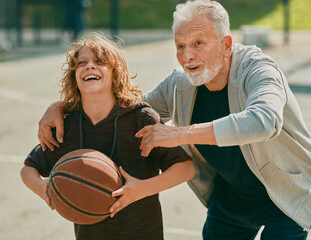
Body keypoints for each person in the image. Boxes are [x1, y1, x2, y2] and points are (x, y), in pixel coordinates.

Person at [37, 1, 311, 239]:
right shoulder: (180, 83)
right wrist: (64, 105)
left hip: (286, 192)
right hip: (232, 197)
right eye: (180, 46)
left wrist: (179, 134)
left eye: (198, 43)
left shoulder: (258, 70)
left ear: (226, 45)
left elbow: (264, 121)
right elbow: (125, 110)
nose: (188, 55)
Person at [21, 32, 195, 240]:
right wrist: (43, 188)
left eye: (100, 62)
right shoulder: (66, 128)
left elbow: (185, 168)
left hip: (143, 233)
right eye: (81, 63)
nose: (89, 66)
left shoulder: (140, 119)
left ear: (116, 73)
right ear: (74, 76)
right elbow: (28, 169)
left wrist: (141, 189)